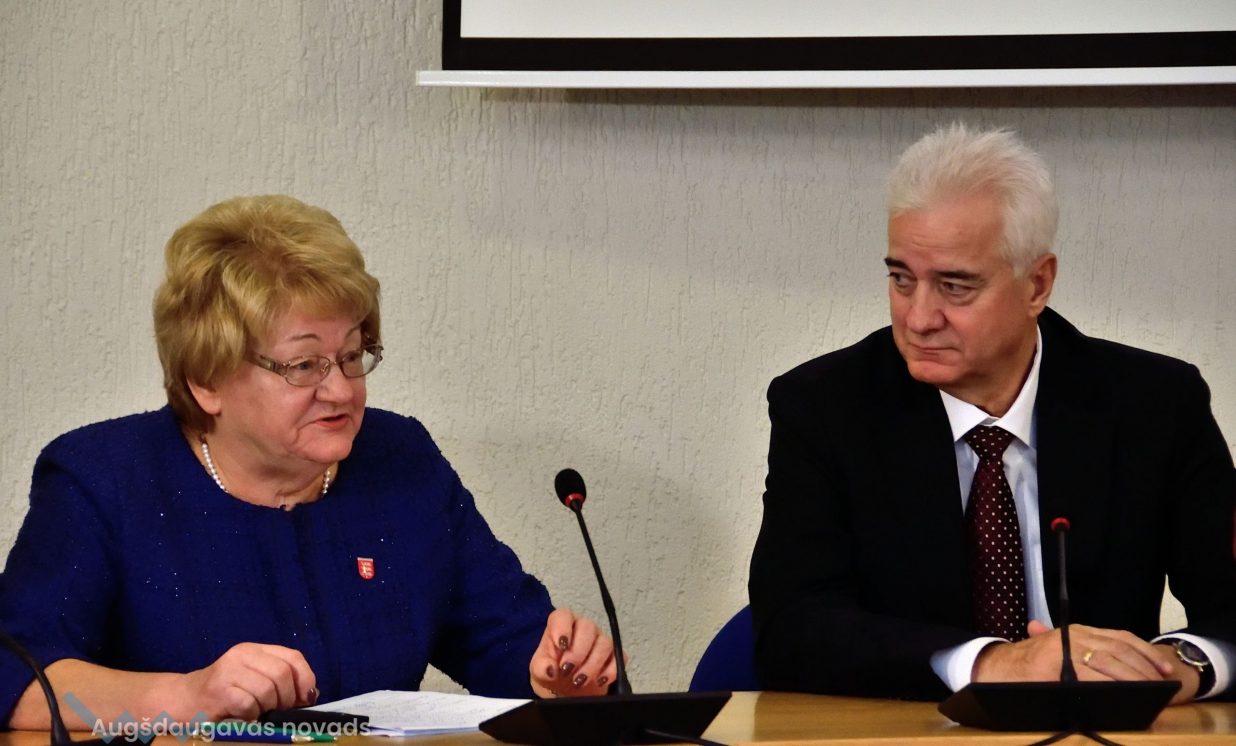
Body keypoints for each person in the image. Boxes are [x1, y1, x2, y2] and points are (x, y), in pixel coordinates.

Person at [0, 195, 618, 730]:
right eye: (304, 365)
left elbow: (504, 640)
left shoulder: (399, 460)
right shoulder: (104, 481)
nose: (342, 390)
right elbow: (14, 678)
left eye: (352, 355)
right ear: (206, 380)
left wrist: (561, 672)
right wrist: (184, 697)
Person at [749, 124, 1236, 703]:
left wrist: (1182, 664)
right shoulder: (826, 407)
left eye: (954, 287)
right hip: (911, 732)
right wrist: (990, 662)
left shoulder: (1154, 404)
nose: (919, 318)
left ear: (1037, 284)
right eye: (901, 279)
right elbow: (790, 629)